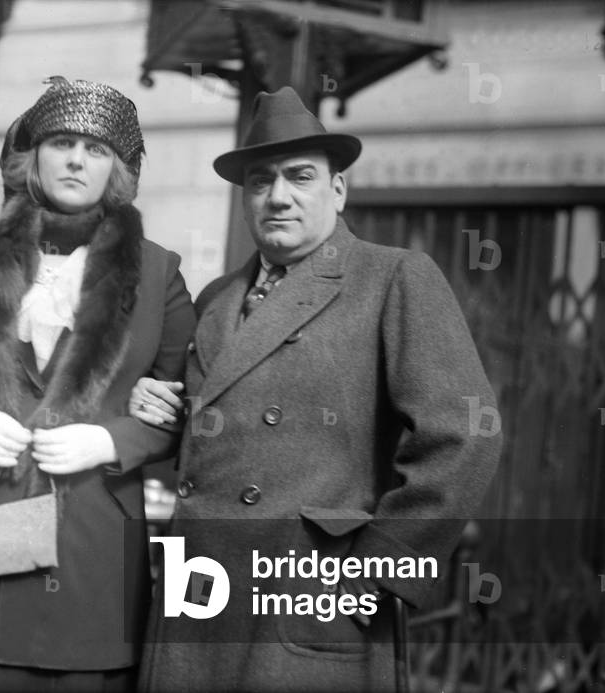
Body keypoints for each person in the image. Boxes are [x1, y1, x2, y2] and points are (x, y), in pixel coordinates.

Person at [130, 87, 503, 692]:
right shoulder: (217, 298)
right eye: (259, 181)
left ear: (338, 190)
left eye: (300, 177)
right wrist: (162, 412)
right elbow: (220, 438)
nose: (278, 196)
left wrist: (377, 573)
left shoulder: (393, 277)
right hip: (199, 589)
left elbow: (464, 437)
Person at [0, 77, 197, 692]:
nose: (77, 159)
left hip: (84, 551)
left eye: (97, 149)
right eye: (62, 142)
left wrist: (113, 442)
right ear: (35, 157)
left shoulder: (160, 275)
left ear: (119, 171)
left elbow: (184, 409)